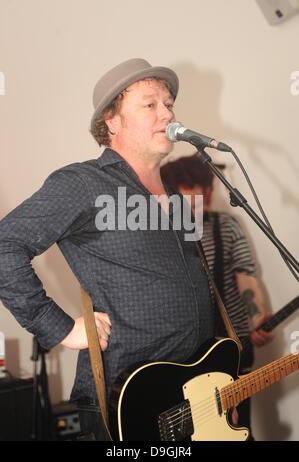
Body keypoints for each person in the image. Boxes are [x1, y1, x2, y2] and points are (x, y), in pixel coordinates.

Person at [0, 59, 218, 441]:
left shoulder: (177, 201)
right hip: (126, 402)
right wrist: (61, 328)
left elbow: (195, 295)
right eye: (150, 104)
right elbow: (5, 247)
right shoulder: (83, 182)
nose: (167, 112)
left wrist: (217, 388)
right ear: (112, 121)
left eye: (168, 103)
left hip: (193, 397)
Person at [161, 154, 274, 440]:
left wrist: (257, 316)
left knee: (238, 430)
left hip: (235, 349)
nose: (204, 196)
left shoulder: (226, 225)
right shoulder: (159, 235)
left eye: (206, 187)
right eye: (191, 189)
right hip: (186, 360)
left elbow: (246, 275)